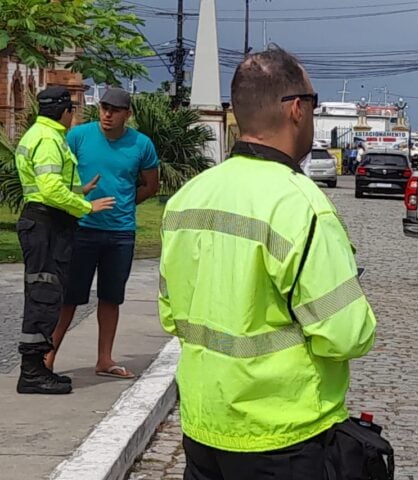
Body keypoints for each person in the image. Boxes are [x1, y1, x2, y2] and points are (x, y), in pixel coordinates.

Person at [158, 46, 377, 479]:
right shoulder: (301, 207)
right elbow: (346, 334)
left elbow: (171, 314)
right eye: (314, 104)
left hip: (204, 429)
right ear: (297, 109)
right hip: (285, 434)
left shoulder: (188, 198)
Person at [45, 88, 160, 380]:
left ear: (127, 114)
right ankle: (48, 356)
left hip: (120, 233)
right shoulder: (78, 137)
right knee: (69, 296)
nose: (108, 114)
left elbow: (151, 184)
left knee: (111, 297)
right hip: (81, 228)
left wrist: (126, 201)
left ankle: (104, 359)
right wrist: (77, 204)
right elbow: (59, 177)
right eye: (104, 108)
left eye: (115, 110)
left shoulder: (141, 144)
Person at [14, 86, 116, 394]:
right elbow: (48, 189)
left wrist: (79, 191)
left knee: (45, 292)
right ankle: (33, 371)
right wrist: (86, 206)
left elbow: (49, 186)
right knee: (44, 295)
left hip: (44, 221)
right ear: (65, 112)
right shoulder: (48, 139)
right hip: (46, 224)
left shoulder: (38, 134)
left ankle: (36, 368)